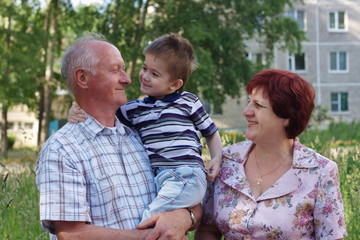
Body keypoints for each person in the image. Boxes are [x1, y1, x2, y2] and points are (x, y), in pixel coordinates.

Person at [36, 32, 202, 240]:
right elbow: (72, 234)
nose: (127, 79)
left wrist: (184, 216)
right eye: (116, 70)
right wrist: (152, 237)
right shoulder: (62, 149)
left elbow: (194, 197)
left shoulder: (142, 135)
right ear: (83, 78)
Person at [68, 33, 223, 223]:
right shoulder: (135, 109)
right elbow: (101, 109)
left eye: (155, 74)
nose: (145, 77)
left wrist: (216, 157)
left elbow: (211, 132)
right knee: (159, 222)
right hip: (160, 178)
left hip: (186, 174)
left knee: (149, 219)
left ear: (175, 84)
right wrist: (76, 109)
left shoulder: (188, 102)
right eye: (144, 68)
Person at [195, 69, 347, 240]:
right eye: (248, 102)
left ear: (287, 117)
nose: (246, 111)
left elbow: (332, 237)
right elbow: (208, 230)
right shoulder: (226, 161)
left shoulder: (320, 172)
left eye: (258, 105)